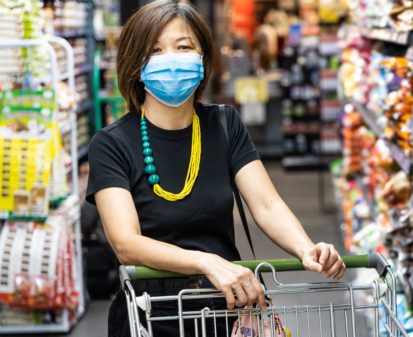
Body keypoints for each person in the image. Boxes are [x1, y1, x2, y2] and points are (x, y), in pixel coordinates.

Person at [85, 1, 346, 336]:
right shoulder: (111, 143)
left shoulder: (224, 124)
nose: (172, 60)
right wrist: (205, 261)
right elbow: (126, 243)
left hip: (226, 307)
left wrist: (306, 248)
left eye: (183, 47)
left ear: (203, 58)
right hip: (150, 314)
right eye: (156, 50)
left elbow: (267, 205)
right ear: (136, 64)